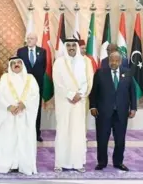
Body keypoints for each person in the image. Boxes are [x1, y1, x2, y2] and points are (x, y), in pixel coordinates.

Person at [0, 57, 39, 175]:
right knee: (8, 140)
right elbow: (0, 96)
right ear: (10, 66)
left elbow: (35, 95)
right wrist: (8, 106)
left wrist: (24, 104)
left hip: (24, 114)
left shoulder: (30, 78)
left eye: (19, 63)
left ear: (22, 65)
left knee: (24, 139)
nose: (16, 65)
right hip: (8, 115)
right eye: (13, 63)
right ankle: (8, 164)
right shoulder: (4, 78)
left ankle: (23, 165)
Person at [52, 39, 94, 173]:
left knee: (78, 132)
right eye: (68, 45)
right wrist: (70, 95)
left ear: (77, 47)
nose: (71, 48)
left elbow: (89, 80)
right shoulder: (59, 62)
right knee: (63, 130)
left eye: (73, 45)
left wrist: (80, 94)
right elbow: (57, 82)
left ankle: (78, 163)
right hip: (64, 102)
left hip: (79, 102)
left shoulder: (85, 61)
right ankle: (60, 163)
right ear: (65, 47)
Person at [89, 52, 135, 172]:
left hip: (121, 112)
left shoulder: (128, 72)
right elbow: (94, 92)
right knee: (102, 139)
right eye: (112, 60)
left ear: (120, 61)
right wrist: (92, 106)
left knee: (120, 140)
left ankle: (118, 162)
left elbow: (132, 92)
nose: (114, 63)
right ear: (109, 61)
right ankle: (102, 162)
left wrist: (134, 108)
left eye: (116, 61)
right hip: (103, 113)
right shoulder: (100, 72)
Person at [16, 33, 46, 142]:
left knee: (36, 109)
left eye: (31, 38)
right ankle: (24, 133)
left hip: (38, 85)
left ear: (36, 40)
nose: (29, 40)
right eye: (27, 38)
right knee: (24, 108)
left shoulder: (42, 51)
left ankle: (37, 133)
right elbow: (18, 67)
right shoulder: (21, 51)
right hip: (24, 85)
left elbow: (44, 67)